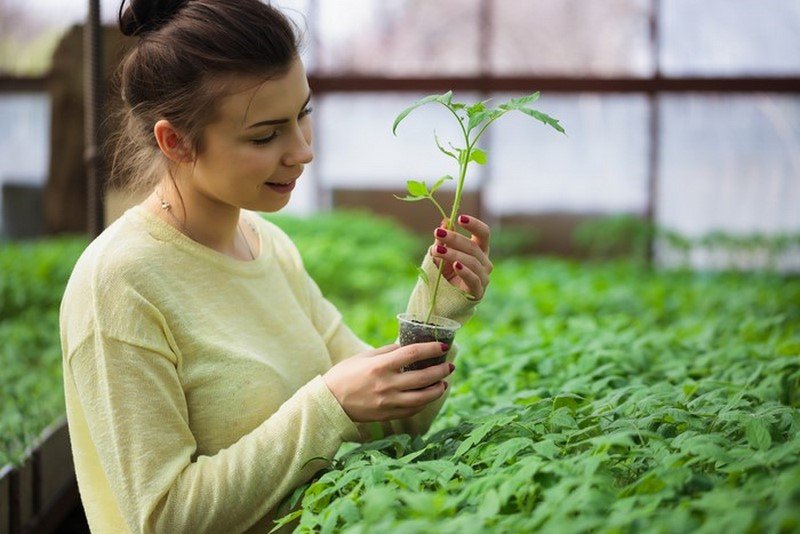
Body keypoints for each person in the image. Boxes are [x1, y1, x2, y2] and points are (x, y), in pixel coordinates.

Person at [59, 1, 493, 532]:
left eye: (303, 114)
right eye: (265, 135)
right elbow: (164, 517)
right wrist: (329, 404)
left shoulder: (269, 246)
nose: (302, 150)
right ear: (175, 141)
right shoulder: (119, 283)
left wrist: (437, 309)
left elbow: (398, 419)